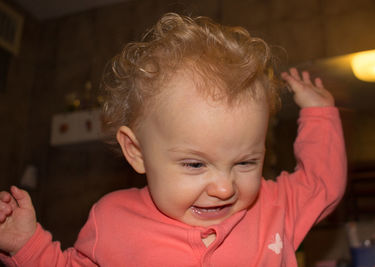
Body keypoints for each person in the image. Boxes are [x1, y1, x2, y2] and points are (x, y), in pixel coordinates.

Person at [0, 13, 346, 266]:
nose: (225, 188)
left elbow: (321, 183)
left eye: (245, 162)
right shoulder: (113, 220)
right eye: (195, 163)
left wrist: (320, 115)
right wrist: (25, 244)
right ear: (136, 151)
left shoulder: (272, 206)